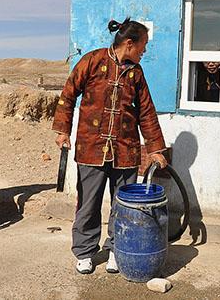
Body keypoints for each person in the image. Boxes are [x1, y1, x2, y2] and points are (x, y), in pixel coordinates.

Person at [53, 17, 168, 275]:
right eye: (143, 45)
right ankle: (84, 252)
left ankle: (116, 248)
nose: (145, 51)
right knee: (88, 203)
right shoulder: (92, 61)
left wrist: (155, 148)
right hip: (90, 148)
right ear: (129, 44)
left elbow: (147, 112)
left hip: (125, 152)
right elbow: (68, 94)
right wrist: (62, 130)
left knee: (122, 205)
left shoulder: (136, 73)